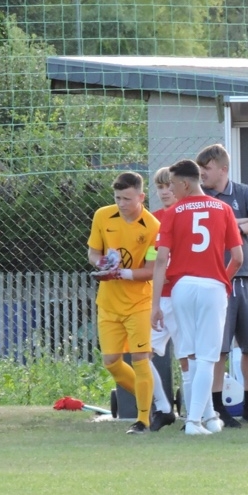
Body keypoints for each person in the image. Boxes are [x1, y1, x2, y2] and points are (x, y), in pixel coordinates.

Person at [150, 159, 243, 436]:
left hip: (181, 287)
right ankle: (193, 422)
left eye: (173, 184)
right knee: (207, 357)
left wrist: (155, 305)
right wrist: (223, 280)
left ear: (185, 184)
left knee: (191, 355)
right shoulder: (223, 209)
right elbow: (238, 257)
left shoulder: (172, 213)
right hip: (212, 286)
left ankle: (209, 417)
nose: (171, 190)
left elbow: (161, 260)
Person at [196, 143, 248, 426]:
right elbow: (209, 228)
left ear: (223, 169)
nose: (202, 174)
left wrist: (234, 226)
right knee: (218, 346)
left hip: (247, 276)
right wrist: (241, 222)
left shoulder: (243, 192)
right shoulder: (199, 195)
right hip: (215, 278)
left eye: (207, 168)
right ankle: (217, 406)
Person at [87, 171, 161, 435]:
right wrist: (102, 264)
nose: (121, 203)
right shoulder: (102, 216)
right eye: (117, 198)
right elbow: (92, 253)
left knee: (141, 358)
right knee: (111, 362)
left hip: (139, 303)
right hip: (108, 303)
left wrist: (122, 273)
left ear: (141, 197)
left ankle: (143, 420)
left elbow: (151, 270)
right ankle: (152, 402)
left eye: (127, 198)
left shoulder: (152, 226)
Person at [145, 166, 183, 432]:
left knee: (188, 357)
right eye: (160, 187)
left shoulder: (187, 215)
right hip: (158, 299)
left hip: (182, 296)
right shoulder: (153, 220)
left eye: (169, 185)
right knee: (142, 353)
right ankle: (163, 407)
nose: (165, 191)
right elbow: (151, 257)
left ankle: (195, 412)